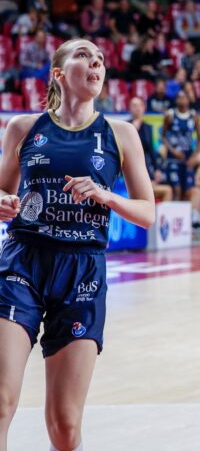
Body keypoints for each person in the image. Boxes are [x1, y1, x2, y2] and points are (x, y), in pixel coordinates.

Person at [0, 38, 156, 451]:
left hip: (82, 270)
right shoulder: (23, 128)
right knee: (0, 401)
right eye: (84, 55)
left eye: (100, 59)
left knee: (65, 426)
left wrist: (107, 196)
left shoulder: (121, 134)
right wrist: (3, 202)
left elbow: (147, 212)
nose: (96, 63)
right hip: (22, 263)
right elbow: (2, 191)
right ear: (58, 73)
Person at [161, 91, 200, 211]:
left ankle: (185, 217)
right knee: (176, 189)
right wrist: (173, 151)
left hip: (188, 158)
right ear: (176, 100)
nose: (182, 100)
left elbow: (199, 139)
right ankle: (174, 215)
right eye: (179, 98)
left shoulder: (193, 115)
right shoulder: (170, 114)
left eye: (184, 98)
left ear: (189, 100)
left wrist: (194, 157)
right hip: (173, 158)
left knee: (188, 190)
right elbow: (163, 136)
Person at [129, 96, 173, 203]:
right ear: (130, 108)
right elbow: (127, 150)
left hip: (146, 170)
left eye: (140, 105)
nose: (137, 108)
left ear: (144, 108)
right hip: (131, 171)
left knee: (167, 190)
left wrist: (157, 169)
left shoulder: (148, 127)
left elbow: (151, 150)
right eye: (134, 106)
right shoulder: (126, 126)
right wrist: (134, 130)